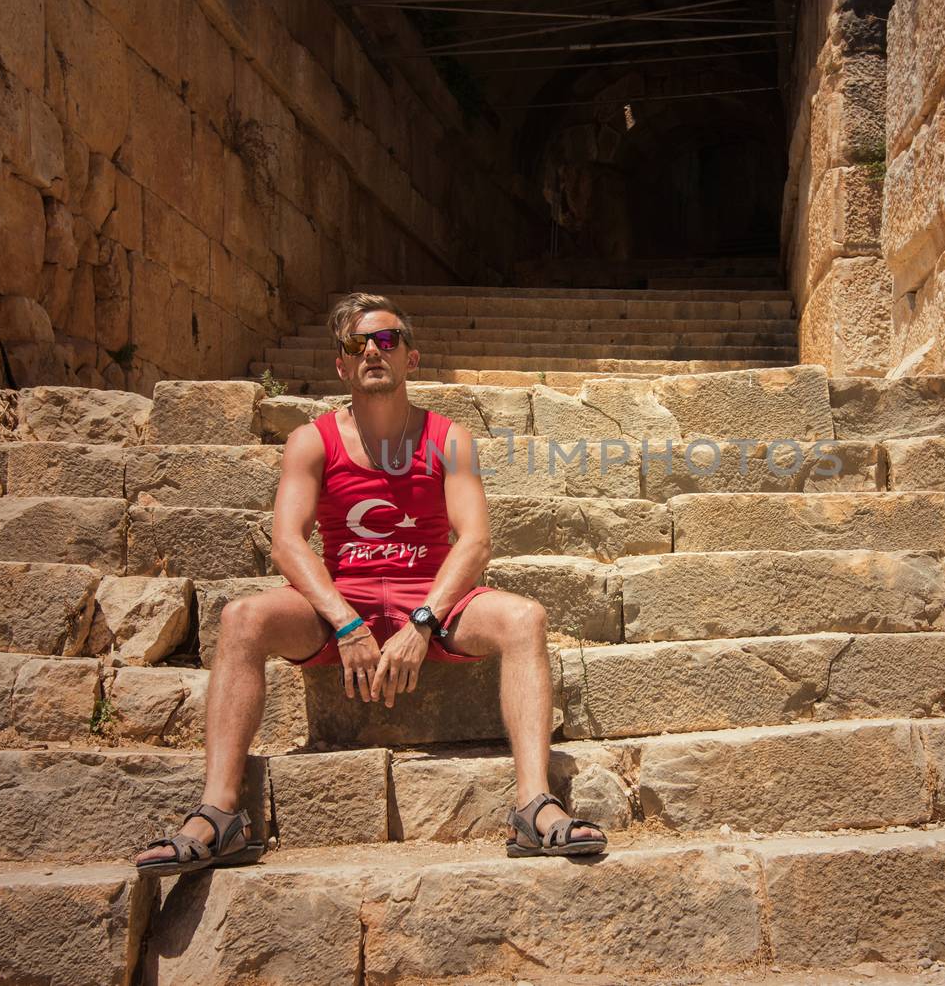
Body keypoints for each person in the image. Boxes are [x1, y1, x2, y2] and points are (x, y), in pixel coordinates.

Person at [135, 293, 607, 874]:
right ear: (341, 365)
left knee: (525, 618)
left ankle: (534, 807)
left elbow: (476, 541)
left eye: (387, 340)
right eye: (357, 345)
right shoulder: (313, 440)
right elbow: (287, 541)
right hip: (344, 599)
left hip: (429, 600)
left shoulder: (447, 438)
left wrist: (422, 622)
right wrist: (346, 621)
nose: (372, 352)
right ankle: (221, 814)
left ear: (411, 358)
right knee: (241, 618)